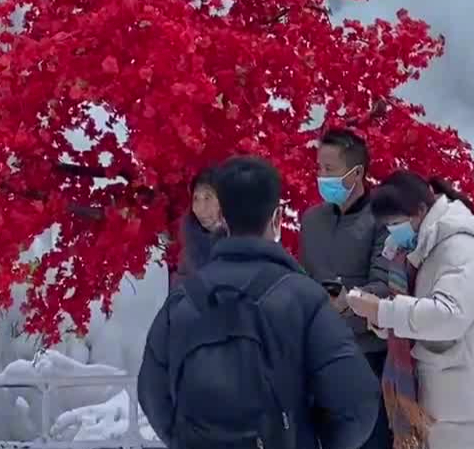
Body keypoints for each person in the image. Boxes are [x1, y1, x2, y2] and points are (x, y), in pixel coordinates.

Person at [138, 154, 381, 449]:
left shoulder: (182, 301)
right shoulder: (305, 299)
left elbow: (152, 394)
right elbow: (357, 402)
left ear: (222, 219)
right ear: (277, 219)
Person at [349, 171, 474, 449]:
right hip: (444, 400)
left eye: (396, 223)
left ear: (420, 210)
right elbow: (416, 312)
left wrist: (385, 311)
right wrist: (381, 320)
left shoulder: (460, 246)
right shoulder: (414, 249)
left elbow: (450, 315)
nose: (393, 231)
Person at [300, 129, 391, 449]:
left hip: (368, 356)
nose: (321, 176)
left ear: (357, 173)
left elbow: (386, 285)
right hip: (319, 355)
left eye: (330, 170)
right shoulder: (311, 220)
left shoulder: (383, 219)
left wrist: (347, 302)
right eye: (319, 169)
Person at [174, 169, 222, 283]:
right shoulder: (190, 249)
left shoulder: (241, 241)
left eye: (207, 198)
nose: (200, 208)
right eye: (196, 198)